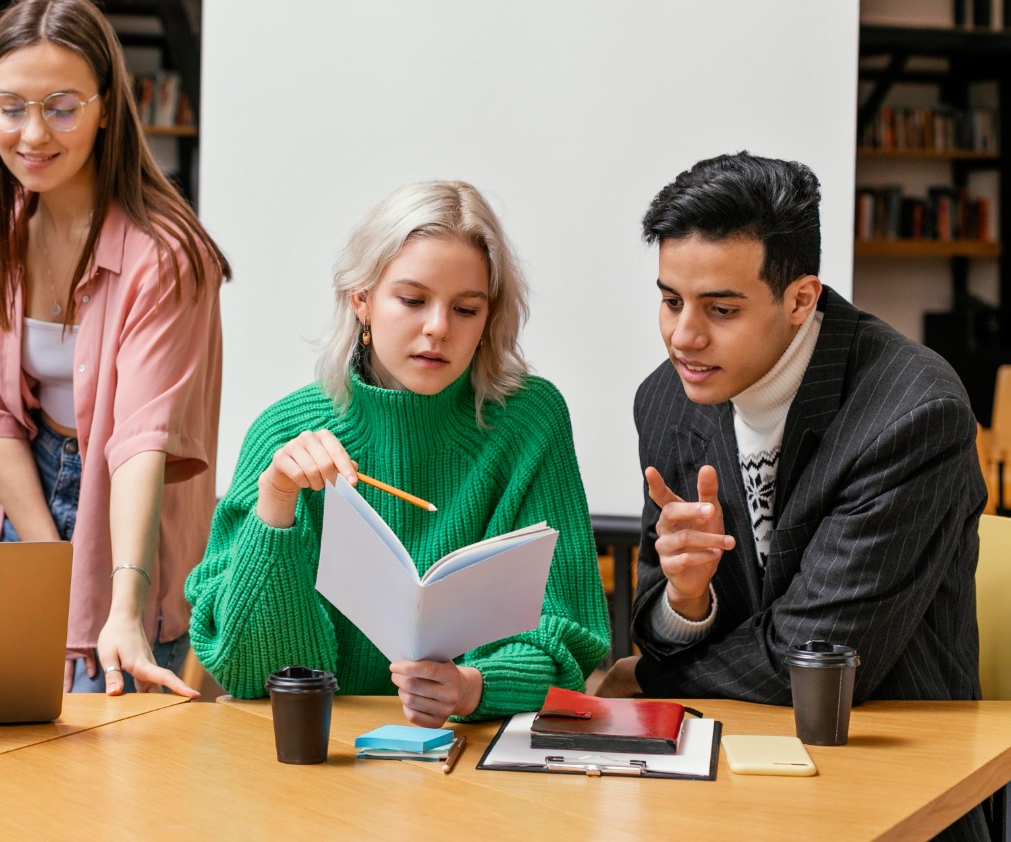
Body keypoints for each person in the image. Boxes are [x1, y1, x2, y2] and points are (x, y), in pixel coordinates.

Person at [185, 180, 609, 724]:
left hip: (475, 754)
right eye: (412, 300)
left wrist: (474, 688)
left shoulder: (530, 420)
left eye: (466, 309)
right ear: (360, 300)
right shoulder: (282, 433)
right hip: (324, 759)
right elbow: (249, 672)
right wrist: (275, 507)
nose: (438, 328)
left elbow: (566, 632)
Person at [598, 152, 983, 706]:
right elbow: (658, 630)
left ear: (801, 299)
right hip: (728, 748)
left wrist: (643, 681)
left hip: (887, 750)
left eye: (721, 310)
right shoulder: (666, 401)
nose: (683, 337)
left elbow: (816, 659)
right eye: (671, 301)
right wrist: (686, 601)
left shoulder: (913, 413)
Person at [0, 0, 230, 698]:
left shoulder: (164, 254)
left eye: (62, 107)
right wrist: (50, 563)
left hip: (130, 507)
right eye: (11, 106)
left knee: (119, 763)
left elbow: (140, 441)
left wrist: (123, 604)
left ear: (107, 106)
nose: (33, 134)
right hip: (29, 495)